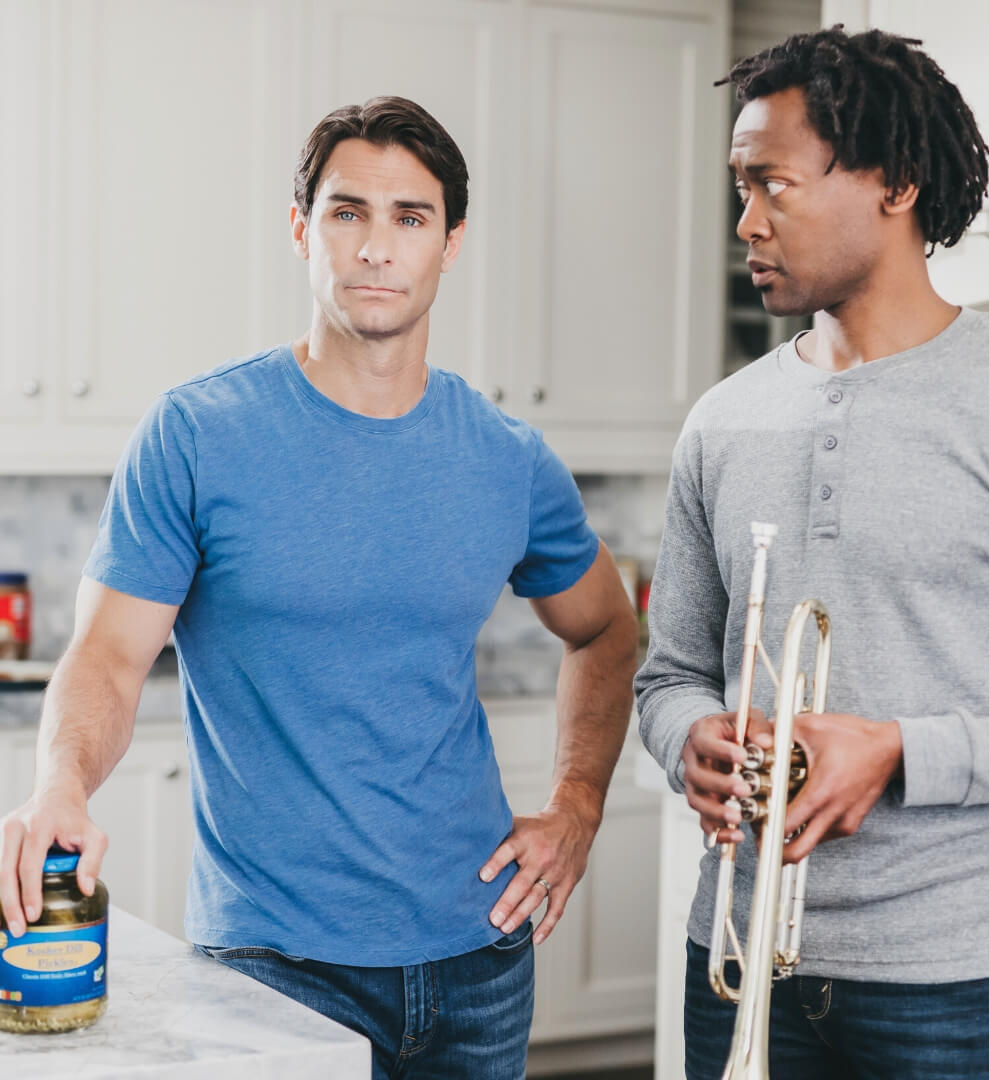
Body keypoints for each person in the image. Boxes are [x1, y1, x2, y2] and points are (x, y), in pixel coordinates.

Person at [0, 97, 638, 1079]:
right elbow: (109, 657)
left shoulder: (507, 459)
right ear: (301, 228)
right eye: (348, 211)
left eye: (409, 218)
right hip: (271, 967)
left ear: (451, 243)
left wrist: (577, 804)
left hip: (478, 959)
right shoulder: (199, 434)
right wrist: (60, 783)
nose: (377, 247)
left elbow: (605, 629)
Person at [636, 26, 989, 1080]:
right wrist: (687, 734)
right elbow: (669, 674)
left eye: (772, 185)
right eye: (740, 187)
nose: (746, 221)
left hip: (966, 987)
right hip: (741, 961)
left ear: (895, 184)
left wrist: (899, 751)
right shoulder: (721, 420)